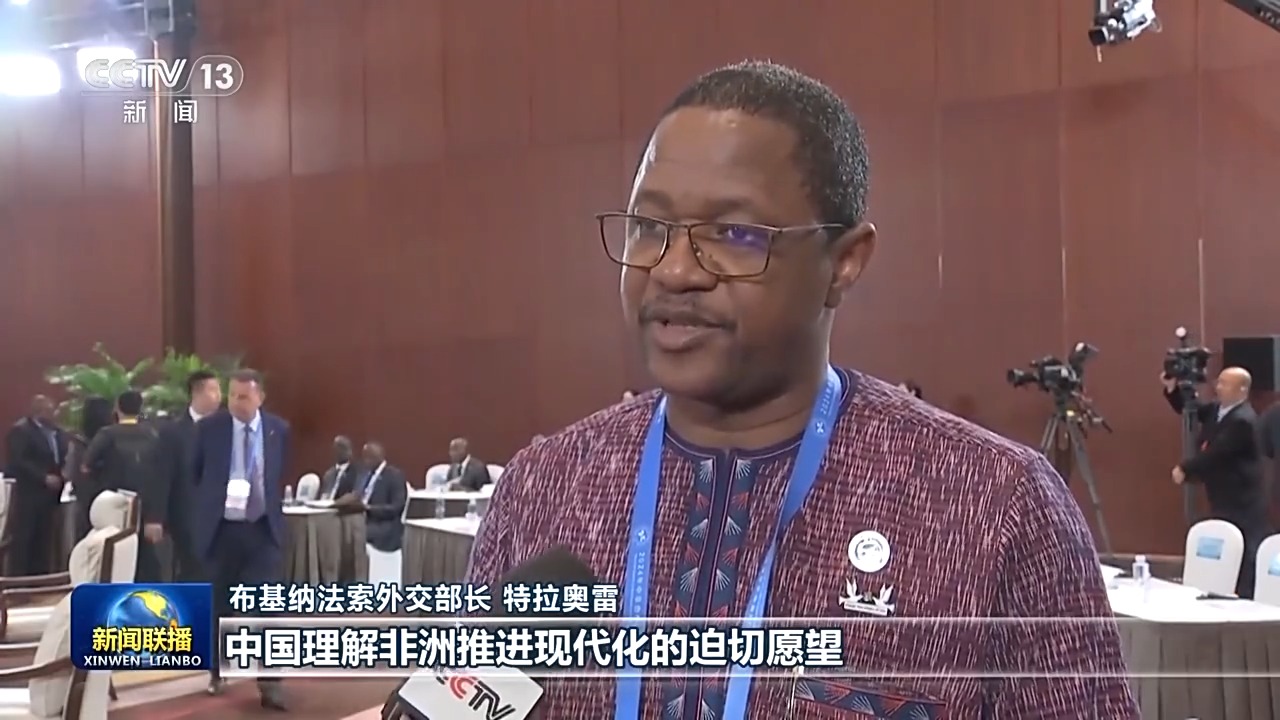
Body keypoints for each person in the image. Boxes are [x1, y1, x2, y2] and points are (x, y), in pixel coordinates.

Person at [466, 61, 1136, 718]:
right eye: (649, 228)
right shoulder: (543, 488)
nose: (673, 271)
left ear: (843, 262)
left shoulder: (994, 504)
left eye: (733, 234)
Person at [190, 369, 288, 708]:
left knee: (267, 608)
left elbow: (277, 474)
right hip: (223, 531)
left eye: (243, 396)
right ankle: (217, 669)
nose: (235, 402)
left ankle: (271, 683)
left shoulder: (278, 429)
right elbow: (195, 473)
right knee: (220, 605)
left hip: (261, 531)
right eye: (232, 395)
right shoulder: (210, 429)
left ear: (260, 397)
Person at [1163, 368, 1267, 597]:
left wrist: (1186, 468)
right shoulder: (1217, 410)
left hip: (1241, 497)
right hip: (1220, 492)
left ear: (1242, 389)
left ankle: (1246, 595)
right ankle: (1224, 589)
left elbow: (1218, 452)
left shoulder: (1243, 420)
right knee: (1227, 541)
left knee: (1244, 545)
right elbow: (1191, 411)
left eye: (1225, 384)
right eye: (1219, 382)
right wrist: (1174, 390)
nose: (1218, 387)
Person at [82, 390, 163, 581]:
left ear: (117, 408)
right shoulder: (152, 434)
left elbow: (86, 466)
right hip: (145, 500)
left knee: (115, 549)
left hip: (115, 501)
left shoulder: (107, 434)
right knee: (143, 550)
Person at [4, 395, 70, 576]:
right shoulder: (21, 430)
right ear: (37, 412)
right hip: (28, 494)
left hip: (51, 496)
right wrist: (43, 477)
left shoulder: (58, 432)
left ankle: (40, 578)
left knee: (44, 541)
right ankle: (19, 581)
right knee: (25, 539)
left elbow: (61, 456)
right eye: (49, 411)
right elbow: (18, 461)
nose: (53, 414)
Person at [63, 396, 115, 540]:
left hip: (84, 494)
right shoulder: (113, 437)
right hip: (110, 494)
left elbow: (69, 471)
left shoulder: (78, 442)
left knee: (85, 536)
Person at [320, 435, 359, 500]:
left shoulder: (356, 473)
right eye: (337, 448)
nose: (340, 451)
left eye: (343, 448)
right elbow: (323, 493)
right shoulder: (329, 474)